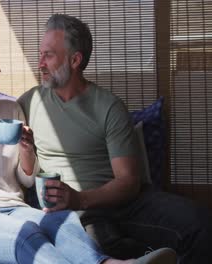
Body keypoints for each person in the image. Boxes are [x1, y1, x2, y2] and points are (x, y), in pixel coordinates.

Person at [0, 36, 175, 264]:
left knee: (62, 222)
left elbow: (24, 180)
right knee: (25, 235)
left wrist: (27, 151)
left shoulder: (9, 109)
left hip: (11, 207)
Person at [17, 13, 212, 263]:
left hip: (127, 202)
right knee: (99, 248)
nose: (40, 63)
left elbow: (128, 181)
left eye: (49, 55)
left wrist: (80, 197)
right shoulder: (29, 103)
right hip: (76, 214)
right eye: (40, 54)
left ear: (75, 60)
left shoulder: (108, 106)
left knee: (201, 225)